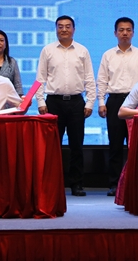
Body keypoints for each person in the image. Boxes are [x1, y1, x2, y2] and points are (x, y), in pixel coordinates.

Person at [36, 15, 96, 197]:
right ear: (56, 29)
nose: (64, 29)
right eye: (60, 26)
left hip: (77, 102)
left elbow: (89, 78)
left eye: (67, 26)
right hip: (53, 103)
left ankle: (76, 184)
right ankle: (51, 184)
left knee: (76, 146)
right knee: (52, 146)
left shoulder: (82, 51)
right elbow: (40, 78)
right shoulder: (47, 50)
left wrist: (90, 102)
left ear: (74, 29)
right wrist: (40, 101)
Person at [97, 17, 138, 197]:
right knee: (115, 145)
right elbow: (102, 80)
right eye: (121, 30)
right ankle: (114, 184)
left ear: (133, 33)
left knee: (136, 145)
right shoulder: (108, 55)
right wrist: (101, 102)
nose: (125, 33)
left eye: (128, 30)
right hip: (114, 102)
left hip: (135, 103)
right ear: (115, 33)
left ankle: (136, 182)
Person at [0, 29, 23, 96]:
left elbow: (18, 85)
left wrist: (20, 98)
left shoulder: (12, 62)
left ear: (5, 45)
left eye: (1, 40)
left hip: (8, 100)